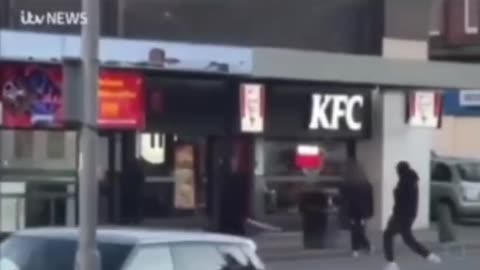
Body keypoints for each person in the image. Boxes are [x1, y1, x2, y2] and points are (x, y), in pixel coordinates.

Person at [383, 161, 442, 270]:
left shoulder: (404, 181)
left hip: (401, 215)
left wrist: (395, 192)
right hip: (409, 215)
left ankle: (391, 263)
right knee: (407, 239)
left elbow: (401, 199)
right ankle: (429, 255)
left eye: (397, 170)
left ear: (400, 170)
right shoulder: (412, 179)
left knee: (388, 235)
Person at [341, 160, 374, 258]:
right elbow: (370, 199)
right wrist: (369, 212)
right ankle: (361, 247)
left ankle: (358, 248)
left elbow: (345, 198)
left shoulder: (347, 183)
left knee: (355, 230)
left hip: (353, 210)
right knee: (358, 230)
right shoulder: (366, 184)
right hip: (362, 211)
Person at [121, 157, 146, 225]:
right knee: (137, 206)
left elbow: (124, 180)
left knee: (129, 206)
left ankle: (129, 219)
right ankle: (137, 219)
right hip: (136, 191)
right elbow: (141, 181)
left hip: (129, 191)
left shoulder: (127, 171)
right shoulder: (139, 170)